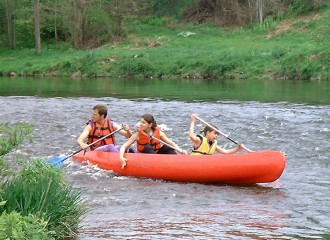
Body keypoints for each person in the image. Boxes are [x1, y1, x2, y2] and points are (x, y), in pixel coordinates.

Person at [119, 114, 186, 168]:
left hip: (156, 155)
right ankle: (158, 166)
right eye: (140, 122)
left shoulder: (159, 133)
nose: (140, 124)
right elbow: (124, 146)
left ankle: (177, 164)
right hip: (144, 157)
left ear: (150, 125)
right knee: (148, 147)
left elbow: (171, 143)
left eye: (143, 122)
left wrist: (181, 151)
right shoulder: (137, 135)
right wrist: (121, 158)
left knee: (167, 147)